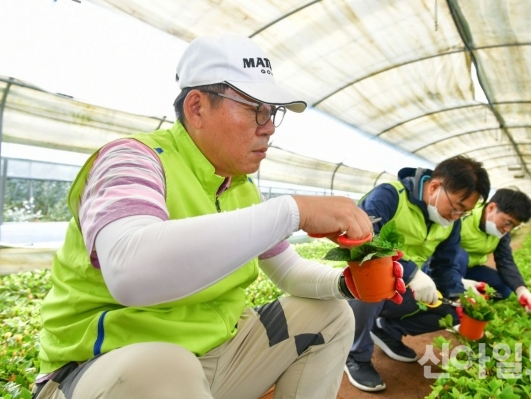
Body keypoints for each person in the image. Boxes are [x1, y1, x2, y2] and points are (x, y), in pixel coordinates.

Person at [33, 35, 406, 399]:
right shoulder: (133, 159)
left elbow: (289, 272)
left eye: (272, 112)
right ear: (197, 108)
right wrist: (295, 210)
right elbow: (129, 270)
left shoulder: (241, 187)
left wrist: (348, 284)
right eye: (255, 108)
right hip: (109, 371)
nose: (270, 126)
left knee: (332, 315)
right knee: (165, 367)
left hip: (213, 360)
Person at [344, 155, 490, 392]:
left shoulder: (450, 222)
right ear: (434, 187)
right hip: (360, 282)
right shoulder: (389, 196)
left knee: (453, 311)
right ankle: (354, 354)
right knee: (372, 284)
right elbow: (364, 241)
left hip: (400, 290)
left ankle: (387, 330)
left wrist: (458, 295)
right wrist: (410, 272)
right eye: (456, 207)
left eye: (464, 213)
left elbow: (446, 265)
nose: (456, 216)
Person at [456, 188, 531, 315]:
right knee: (460, 255)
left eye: (513, 226)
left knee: (503, 289)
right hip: (444, 267)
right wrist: (456, 280)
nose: (507, 229)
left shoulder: (502, 233)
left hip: (470, 269)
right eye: (507, 222)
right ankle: (452, 294)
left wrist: (521, 290)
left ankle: (470, 293)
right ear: (491, 208)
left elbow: (505, 260)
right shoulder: (463, 216)